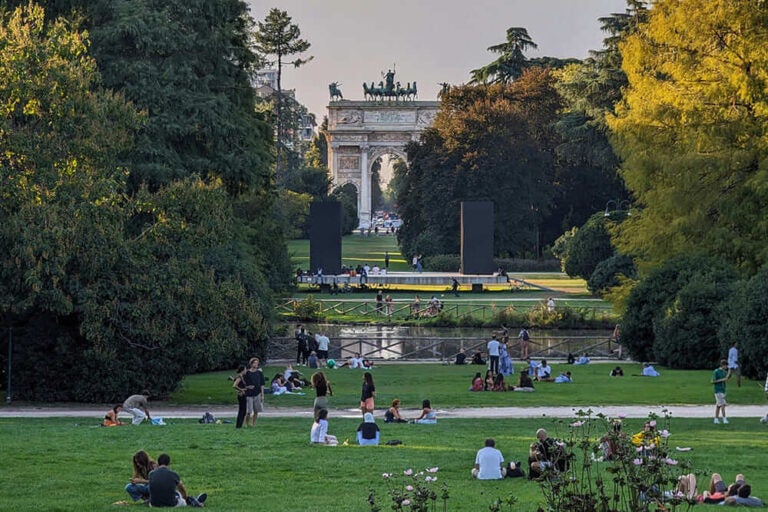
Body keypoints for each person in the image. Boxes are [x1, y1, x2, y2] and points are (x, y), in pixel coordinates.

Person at [244, 357, 265, 427]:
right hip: (249, 394)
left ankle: (253, 424)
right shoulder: (247, 372)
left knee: (256, 410)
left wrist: (262, 394)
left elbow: (262, 384)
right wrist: (247, 387)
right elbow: (243, 383)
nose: (256, 364)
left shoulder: (259, 373)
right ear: (251, 363)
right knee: (249, 411)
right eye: (255, 363)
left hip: (257, 393)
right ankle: (246, 424)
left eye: (257, 363)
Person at [712, 358, 732, 424]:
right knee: (723, 404)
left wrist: (730, 371)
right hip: (718, 390)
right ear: (723, 365)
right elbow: (713, 381)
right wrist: (722, 380)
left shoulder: (724, 372)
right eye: (725, 366)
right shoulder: (716, 371)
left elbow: (727, 378)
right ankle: (724, 419)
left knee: (718, 405)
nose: (726, 367)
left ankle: (716, 419)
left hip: (723, 390)